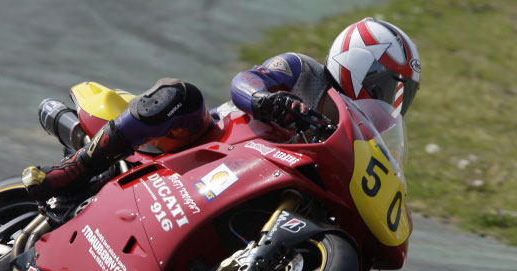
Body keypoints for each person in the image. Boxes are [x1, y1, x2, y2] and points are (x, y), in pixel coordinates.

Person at [22, 17, 420, 202]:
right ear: (359, 63)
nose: (391, 102)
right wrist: (268, 100)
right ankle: (75, 168)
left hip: (251, 184)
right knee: (182, 95)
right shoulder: (303, 71)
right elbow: (245, 81)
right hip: (210, 142)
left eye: (402, 96)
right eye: (389, 88)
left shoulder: (354, 138)